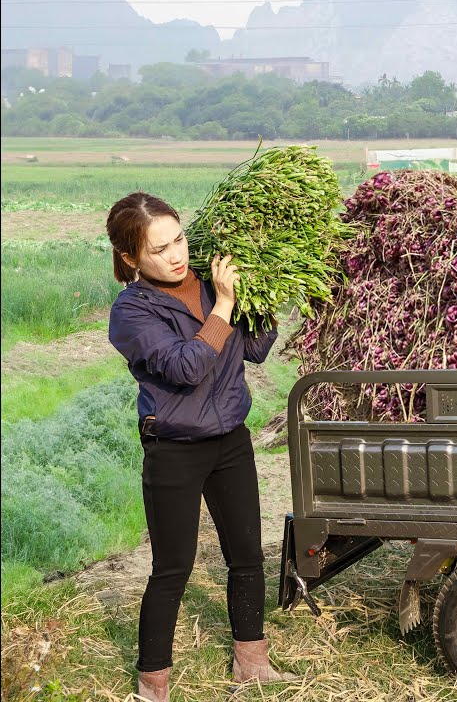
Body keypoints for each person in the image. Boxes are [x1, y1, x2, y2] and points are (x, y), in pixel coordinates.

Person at [105, 192, 294, 702]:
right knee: (173, 567)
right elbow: (186, 366)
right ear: (131, 258)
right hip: (174, 448)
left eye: (179, 239)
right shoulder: (131, 312)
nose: (176, 254)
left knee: (246, 555)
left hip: (230, 438)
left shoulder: (211, 284)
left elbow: (253, 350)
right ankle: (153, 685)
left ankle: (251, 663)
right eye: (159, 248)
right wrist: (227, 305)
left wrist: (261, 292)